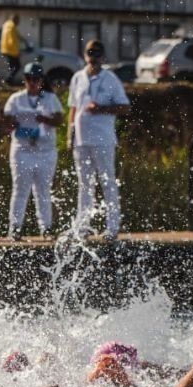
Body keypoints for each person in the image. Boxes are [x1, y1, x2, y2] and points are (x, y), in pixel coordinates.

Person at [68, 39, 130, 240]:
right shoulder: (77, 78)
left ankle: (112, 227)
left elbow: (125, 107)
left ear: (102, 57)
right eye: (89, 53)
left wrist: (102, 109)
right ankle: (83, 226)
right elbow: (73, 108)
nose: (93, 57)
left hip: (103, 139)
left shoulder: (110, 79)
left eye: (96, 53)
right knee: (84, 184)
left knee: (107, 181)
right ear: (85, 55)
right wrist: (71, 135)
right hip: (82, 140)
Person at [2, 62, 63, 240]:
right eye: (29, 79)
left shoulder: (50, 98)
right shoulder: (16, 99)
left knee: (43, 190)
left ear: (41, 80)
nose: (33, 82)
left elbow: (59, 120)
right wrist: (13, 123)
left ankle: (46, 228)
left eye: (36, 79)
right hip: (22, 149)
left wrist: (44, 119)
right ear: (25, 80)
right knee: (21, 189)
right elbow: (5, 123)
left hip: (45, 150)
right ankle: (15, 228)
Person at [0, 13, 24, 85]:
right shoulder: (12, 27)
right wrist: (17, 52)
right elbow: (12, 41)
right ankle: (7, 81)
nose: (19, 22)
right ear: (15, 19)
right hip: (10, 50)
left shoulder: (6, 25)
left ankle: (9, 82)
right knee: (17, 66)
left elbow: (16, 37)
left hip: (4, 49)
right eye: (18, 20)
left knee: (12, 67)